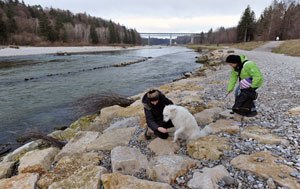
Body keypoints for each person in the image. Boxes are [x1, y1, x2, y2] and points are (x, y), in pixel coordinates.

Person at [225, 54, 263, 126]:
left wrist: (251, 87)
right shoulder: (235, 68)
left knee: (246, 96)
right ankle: (237, 108)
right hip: (244, 83)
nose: (230, 66)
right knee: (237, 93)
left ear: (235, 62)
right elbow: (233, 78)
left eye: (230, 64)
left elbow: (258, 76)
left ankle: (252, 110)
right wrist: (230, 88)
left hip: (254, 82)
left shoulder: (249, 65)